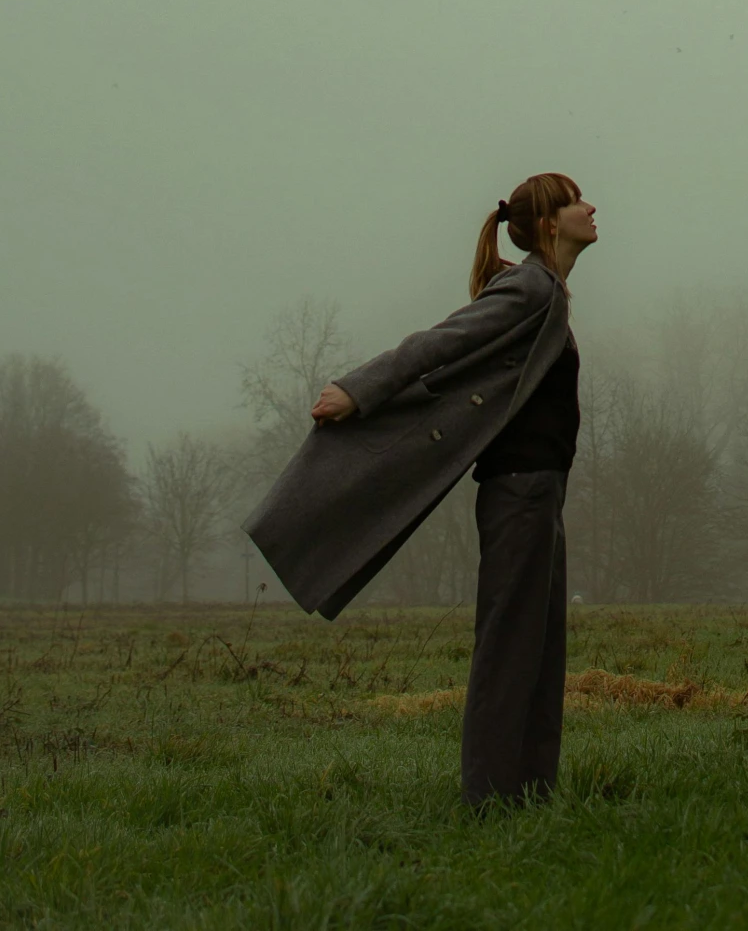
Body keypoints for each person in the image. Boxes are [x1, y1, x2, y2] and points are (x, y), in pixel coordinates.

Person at [245, 172, 597, 808]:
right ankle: (488, 800)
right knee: (510, 646)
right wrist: (360, 387)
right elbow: (441, 341)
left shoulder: (549, 292)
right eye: (576, 201)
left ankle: (534, 796)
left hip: (542, 491)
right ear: (550, 221)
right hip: (518, 492)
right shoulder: (527, 287)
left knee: (542, 649)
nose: (591, 207)